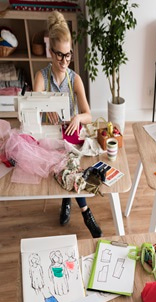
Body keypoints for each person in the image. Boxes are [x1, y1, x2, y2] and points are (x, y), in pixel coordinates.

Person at [34, 11, 102, 238]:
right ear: (50, 52)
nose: (64, 61)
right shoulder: (41, 77)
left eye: (68, 55)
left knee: (68, 164)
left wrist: (77, 118)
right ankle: (84, 211)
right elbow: (34, 106)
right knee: (66, 165)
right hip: (49, 138)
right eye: (59, 56)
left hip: (69, 135)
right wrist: (46, 107)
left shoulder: (75, 79)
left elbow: (89, 115)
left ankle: (75, 206)